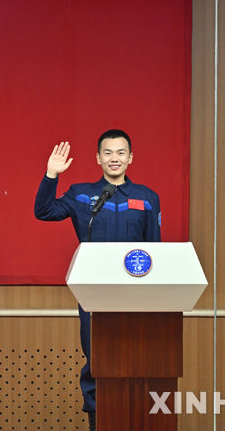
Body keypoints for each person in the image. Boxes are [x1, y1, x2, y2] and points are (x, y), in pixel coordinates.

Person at [33, 129, 161, 431]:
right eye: (107, 152)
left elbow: (155, 250)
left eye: (120, 153)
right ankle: (97, 420)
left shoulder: (147, 197)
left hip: (135, 292)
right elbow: (44, 212)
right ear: (98, 158)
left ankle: (135, 417)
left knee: (134, 356)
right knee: (98, 358)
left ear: (130, 158)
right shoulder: (81, 193)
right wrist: (51, 175)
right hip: (93, 291)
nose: (114, 158)